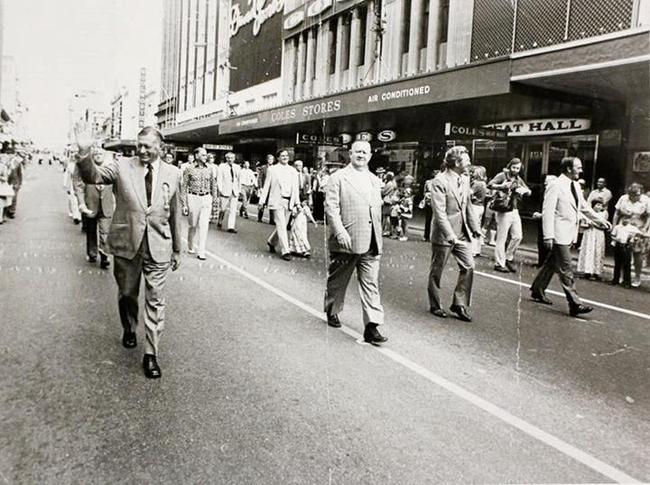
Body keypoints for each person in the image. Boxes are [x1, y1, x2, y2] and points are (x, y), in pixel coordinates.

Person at [75, 126, 182, 379]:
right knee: (127, 294)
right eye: (139, 145)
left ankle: (151, 354)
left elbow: (175, 213)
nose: (141, 150)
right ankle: (129, 327)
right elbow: (94, 176)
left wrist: (177, 248)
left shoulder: (174, 173)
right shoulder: (121, 165)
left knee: (156, 300)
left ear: (160, 147)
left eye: (147, 146)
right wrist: (84, 151)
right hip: (126, 243)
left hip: (159, 245)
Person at [530, 157, 611, 316]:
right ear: (568, 169)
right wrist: (548, 235)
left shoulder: (574, 185)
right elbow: (548, 212)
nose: (581, 170)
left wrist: (600, 221)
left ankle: (537, 289)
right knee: (566, 267)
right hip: (558, 233)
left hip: (568, 232)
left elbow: (584, 207)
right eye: (578, 167)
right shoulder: (555, 185)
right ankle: (574, 303)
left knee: (552, 263)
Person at [324, 140, 387, 344]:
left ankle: (372, 326)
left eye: (365, 152)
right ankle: (332, 310)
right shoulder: (338, 178)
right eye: (357, 151)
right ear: (350, 154)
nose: (361, 155)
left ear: (370, 156)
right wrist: (340, 231)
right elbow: (331, 208)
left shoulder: (375, 180)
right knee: (338, 279)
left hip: (371, 240)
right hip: (347, 238)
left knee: (370, 284)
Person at [427, 146, 481, 322]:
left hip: (461, 233)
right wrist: (450, 236)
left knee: (469, 265)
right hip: (444, 235)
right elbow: (439, 213)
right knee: (437, 271)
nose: (470, 163)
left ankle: (459, 303)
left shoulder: (464, 179)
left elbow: (468, 207)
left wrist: (475, 228)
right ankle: (435, 305)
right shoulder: (439, 181)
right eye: (466, 160)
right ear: (456, 163)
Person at [73, 149, 115, 269]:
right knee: (91, 231)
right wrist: (81, 204)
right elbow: (79, 186)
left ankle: (104, 255)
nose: (98, 156)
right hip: (90, 204)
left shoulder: (111, 168)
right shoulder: (85, 168)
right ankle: (92, 252)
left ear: (105, 156)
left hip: (107, 205)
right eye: (95, 154)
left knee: (105, 232)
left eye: (100, 154)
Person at [487, 158, 531, 273]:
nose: (516, 170)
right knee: (501, 238)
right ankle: (499, 263)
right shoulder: (502, 175)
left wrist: (525, 191)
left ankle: (508, 258)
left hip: (514, 210)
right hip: (503, 210)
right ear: (510, 166)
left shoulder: (518, 179)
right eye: (514, 167)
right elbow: (490, 185)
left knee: (518, 236)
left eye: (518, 168)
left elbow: (528, 190)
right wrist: (502, 186)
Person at [260, 149, 300, 260]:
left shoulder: (293, 171)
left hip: (289, 201)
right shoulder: (272, 170)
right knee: (282, 225)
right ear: (278, 158)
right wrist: (262, 201)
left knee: (282, 226)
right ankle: (285, 251)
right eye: (282, 156)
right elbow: (267, 186)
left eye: (286, 156)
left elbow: (295, 188)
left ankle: (271, 242)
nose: (285, 157)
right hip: (277, 201)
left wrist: (297, 202)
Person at [180, 147, 218, 260]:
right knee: (193, 225)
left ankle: (201, 251)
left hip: (206, 197)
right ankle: (190, 244)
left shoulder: (210, 169)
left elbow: (213, 185)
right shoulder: (189, 169)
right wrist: (184, 204)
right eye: (203, 155)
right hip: (193, 197)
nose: (205, 157)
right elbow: (184, 187)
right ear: (196, 156)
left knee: (204, 225)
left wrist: (214, 199)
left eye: (206, 155)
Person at [611, 183, 650, 287]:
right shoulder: (623, 198)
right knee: (622, 252)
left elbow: (649, 216)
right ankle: (622, 276)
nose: (635, 197)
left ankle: (637, 276)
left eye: (637, 195)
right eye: (632, 195)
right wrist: (614, 226)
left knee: (637, 254)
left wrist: (645, 228)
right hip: (623, 227)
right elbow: (616, 213)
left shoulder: (646, 200)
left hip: (638, 227)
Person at [577, 198, 608, 280]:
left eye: (601, 205)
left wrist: (595, 224)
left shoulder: (604, 214)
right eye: (597, 205)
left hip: (598, 234)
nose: (599, 207)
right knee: (589, 250)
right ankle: (587, 271)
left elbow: (604, 226)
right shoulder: (588, 214)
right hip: (589, 234)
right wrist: (588, 224)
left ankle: (596, 272)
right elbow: (582, 225)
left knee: (597, 251)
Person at [610, 217, 642, 287]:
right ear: (621, 220)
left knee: (627, 264)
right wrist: (616, 239)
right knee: (617, 264)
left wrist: (634, 238)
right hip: (618, 245)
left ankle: (627, 282)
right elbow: (612, 235)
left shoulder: (632, 228)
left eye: (627, 219)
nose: (625, 220)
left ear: (629, 220)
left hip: (627, 246)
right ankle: (615, 280)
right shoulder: (617, 227)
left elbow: (639, 234)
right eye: (624, 219)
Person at [533, 174, 557, 266]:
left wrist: (541, 215)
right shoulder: (544, 192)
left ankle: (548, 264)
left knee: (549, 243)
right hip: (543, 220)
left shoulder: (555, 193)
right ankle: (541, 262)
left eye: (548, 182)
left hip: (551, 222)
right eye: (545, 182)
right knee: (541, 242)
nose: (545, 184)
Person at [215, 151, 242, 233]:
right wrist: (220, 189)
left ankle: (231, 227)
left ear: (234, 158)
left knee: (233, 210)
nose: (230, 159)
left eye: (232, 158)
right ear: (226, 158)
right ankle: (220, 220)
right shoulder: (222, 166)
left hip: (234, 191)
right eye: (228, 158)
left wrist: (239, 190)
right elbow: (219, 178)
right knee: (222, 209)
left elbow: (239, 179)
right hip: (225, 191)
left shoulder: (237, 167)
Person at [469, 166, 488, 257]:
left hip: (474, 206)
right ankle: (477, 250)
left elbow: (469, 193)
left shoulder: (476, 184)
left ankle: (471, 250)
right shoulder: (484, 183)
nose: (472, 173)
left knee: (472, 228)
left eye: (474, 172)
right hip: (481, 206)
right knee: (478, 227)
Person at [63, 157, 82, 225]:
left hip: (82, 184)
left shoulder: (83, 164)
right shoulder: (70, 165)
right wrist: (65, 184)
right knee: (74, 201)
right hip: (73, 184)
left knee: (81, 200)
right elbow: (66, 174)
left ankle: (80, 216)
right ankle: (76, 217)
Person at [257, 154, 275, 224]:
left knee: (272, 204)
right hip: (264, 188)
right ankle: (259, 217)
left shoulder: (275, 168)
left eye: (272, 159)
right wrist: (260, 187)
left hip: (272, 189)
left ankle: (272, 220)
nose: (270, 161)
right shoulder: (263, 167)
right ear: (267, 160)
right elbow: (260, 178)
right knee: (262, 203)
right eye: (269, 159)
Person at [420, 171, 436, 242]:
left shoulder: (427, 182)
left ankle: (426, 236)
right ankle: (432, 236)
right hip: (435, 202)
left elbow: (424, 192)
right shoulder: (438, 182)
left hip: (428, 202)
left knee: (428, 219)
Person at [381, 172, 397, 236]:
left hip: (387, 200)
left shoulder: (389, 184)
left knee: (385, 217)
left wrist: (381, 190)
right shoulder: (394, 184)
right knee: (390, 217)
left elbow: (384, 192)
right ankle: (390, 230)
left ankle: (384, 230)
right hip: (392, 200)